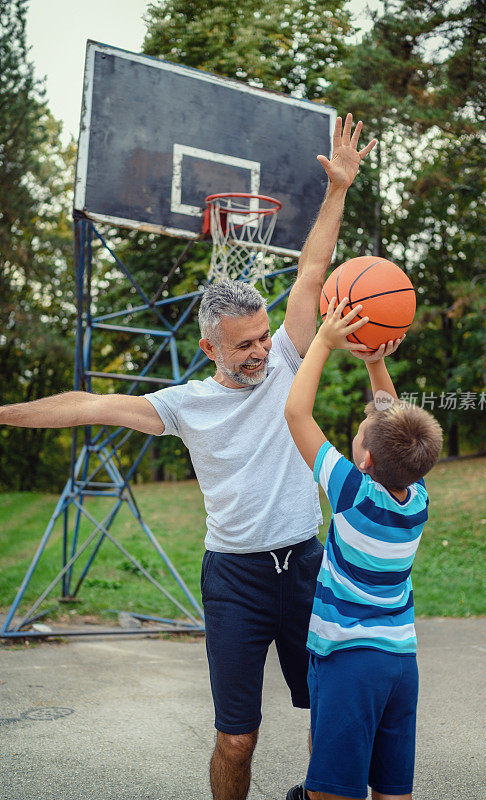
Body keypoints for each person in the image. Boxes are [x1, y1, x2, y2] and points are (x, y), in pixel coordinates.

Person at [0, 116, 376, 800]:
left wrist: (338, 190)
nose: (262, 351)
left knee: (332, 708)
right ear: (211, 350)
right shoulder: (185, 404)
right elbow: (88, 405)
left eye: (264, 337)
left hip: (307, 564)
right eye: (245, 346)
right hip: (234, 578)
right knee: (237, 736)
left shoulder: (290, 354)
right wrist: (2, 413)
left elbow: (313, 269)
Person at [283, 297, 443, 800]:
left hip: (350, 662)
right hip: (400, 662)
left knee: (334, 790)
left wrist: (326, 343)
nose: (360, 427)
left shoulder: (352, 496)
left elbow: (295, 411)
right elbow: (390, 416)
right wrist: (375, 357)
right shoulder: (415, 497)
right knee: (393, 791)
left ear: (366, 458)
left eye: (358, 433)